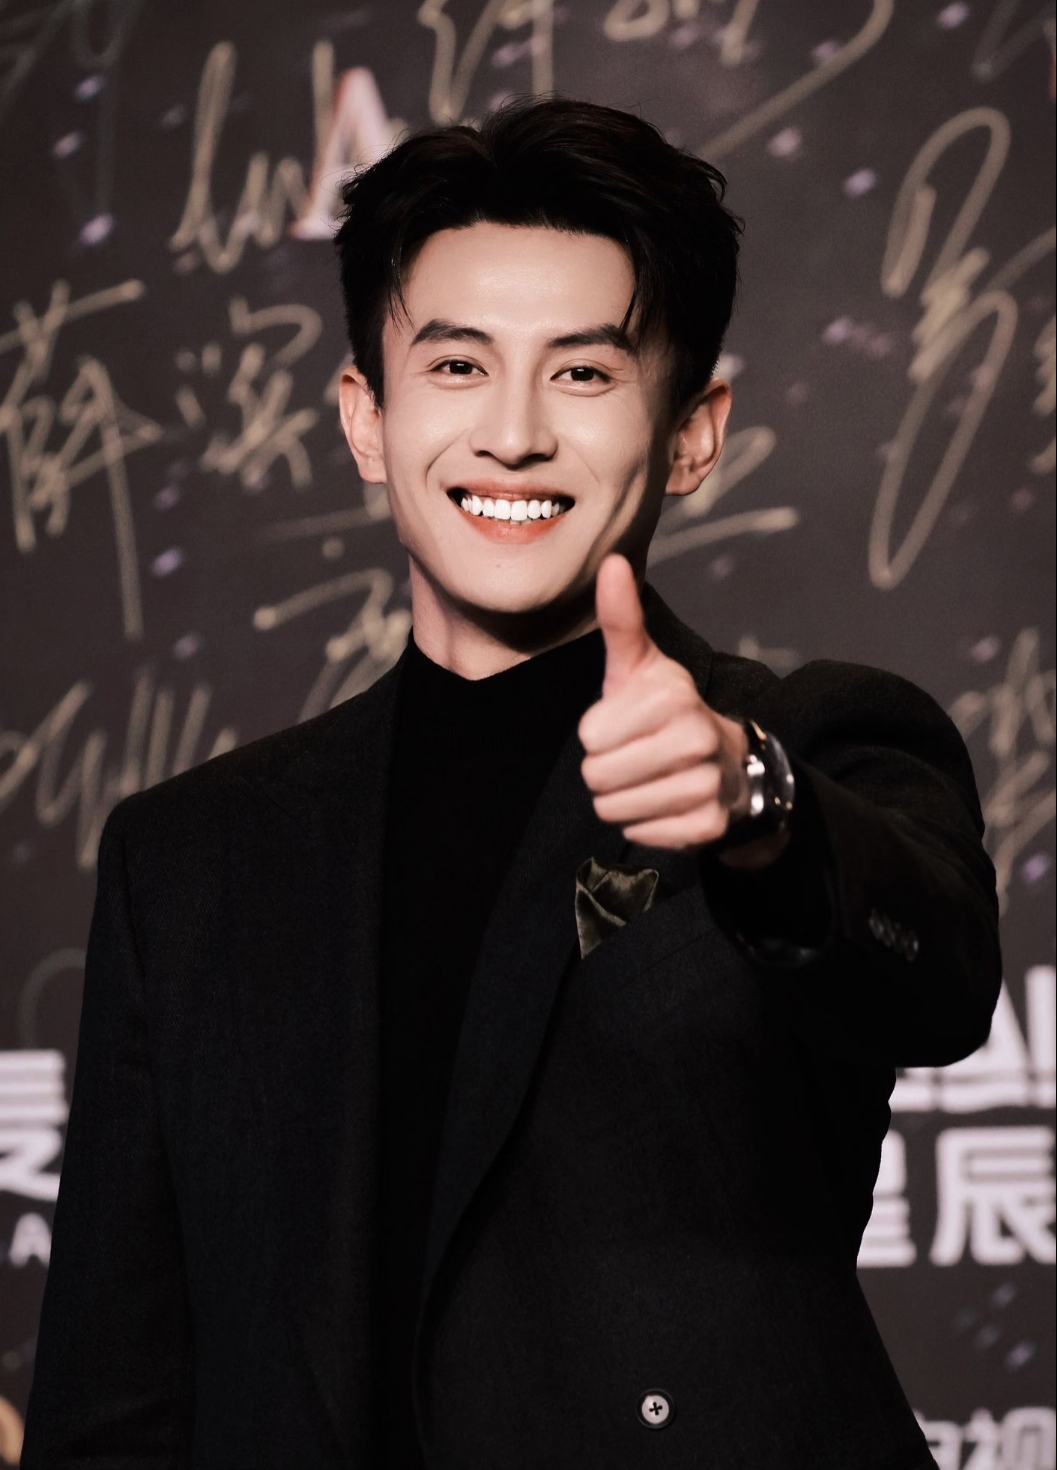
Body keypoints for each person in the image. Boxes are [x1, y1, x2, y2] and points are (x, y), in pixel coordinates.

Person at [22, 98, 1000, 1469]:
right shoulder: (188, 858)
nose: (513, 434)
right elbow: (115, 1400)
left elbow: (936, 976)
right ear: (366, 416)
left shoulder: (806, 746)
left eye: (584, 373)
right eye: (457, 365)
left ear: (693, 433)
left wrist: (754, 804)